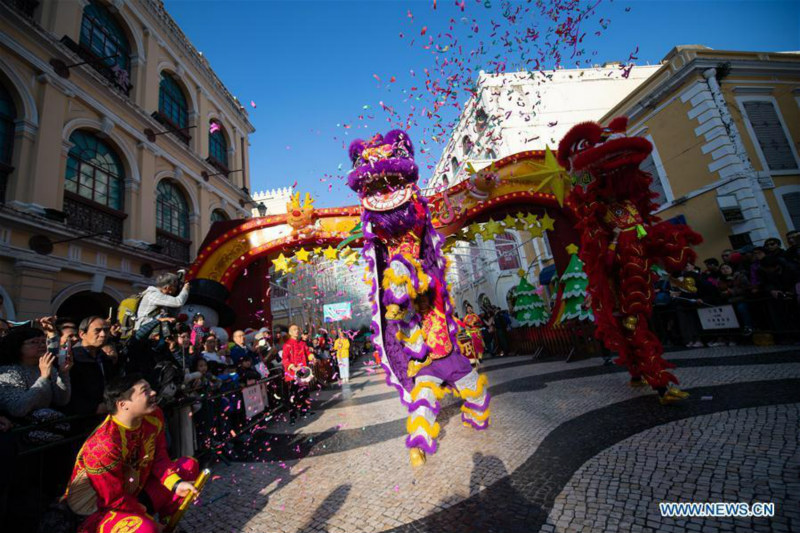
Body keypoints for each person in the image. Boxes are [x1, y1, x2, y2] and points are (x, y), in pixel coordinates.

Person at [63, 374, 199, 533]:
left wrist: (176, 485)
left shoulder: (154, 415)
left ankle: (169, 525)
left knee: (188, 466)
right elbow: (112, 499)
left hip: (135, 493)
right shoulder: (103, 445)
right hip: (102, 511)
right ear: (123, 404)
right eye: (145, 391)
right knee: (145, 529)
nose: (153, 392)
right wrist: (152, 523)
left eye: (150, 388)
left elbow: (160, 457)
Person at [0, 321, 71, 418]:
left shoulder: (47, 367)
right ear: (18, 346)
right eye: (34, 342)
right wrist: (43, 378)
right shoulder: (8, 372)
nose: (42, 345)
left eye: (43, 341)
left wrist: (63, 373)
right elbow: (18, 409)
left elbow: (62, 401)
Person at [66, 316, 116, 416]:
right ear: (82, 334)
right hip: (80, 417)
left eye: (106, 330)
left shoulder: (106, 359)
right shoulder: (71, 359)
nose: (103, 334)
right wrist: (92, 408)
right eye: (97, 331)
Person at [281, 324, 313, 425]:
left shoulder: (302, 343)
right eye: (294, 329)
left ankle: (304, 411)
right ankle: (293, 416)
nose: (297, 331)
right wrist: (292, 367)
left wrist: (312, 357)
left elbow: (308, 353)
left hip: (303, 373)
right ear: (290, 332)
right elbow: (285, 359)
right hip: (292, 375)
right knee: (293, 396)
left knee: (304, 393)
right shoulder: (287, 345)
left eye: (297, 329)